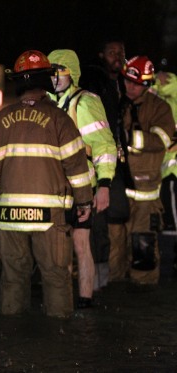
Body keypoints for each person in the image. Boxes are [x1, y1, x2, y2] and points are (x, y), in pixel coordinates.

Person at [0, 50, 93, 318]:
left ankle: (12, 339)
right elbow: (77, 167)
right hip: (50, 218)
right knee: (55, 276)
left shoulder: (0, 120)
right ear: (47, 81)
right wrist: (84, 201)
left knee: (13, 279)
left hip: (8, 216)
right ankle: (58, 344)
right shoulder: (60, 120)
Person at [47, 49, 117, 308]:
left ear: (72, 74)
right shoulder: (46, 102)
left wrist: (105, 185)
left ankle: (85, 300)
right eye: (50, 72)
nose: (54, 78)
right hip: (52, 190)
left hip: (79, 189)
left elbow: (104, 147)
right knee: (58, 247)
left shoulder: (85, 102)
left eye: (60, 72)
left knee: (80, 244)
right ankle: (62, 300)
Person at [110, 56, 174, 285]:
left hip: (146, 196)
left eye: (137, 84)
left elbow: (162, 140)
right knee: (114, 248)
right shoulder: (116, 103)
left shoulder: (160, 108)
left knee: (143, 251)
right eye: (127, 81)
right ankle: (113, 294)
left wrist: (131, 138)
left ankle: (144, 298)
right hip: (118, 194)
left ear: (147, 85)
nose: (131, 87)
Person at [79, 38, 128, 289]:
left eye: (120, 52)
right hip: (96, 165)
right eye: (111, 52)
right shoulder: (93, 84)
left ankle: (112, 276)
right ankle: (96, 280)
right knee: (96, 222)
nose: (117, 56)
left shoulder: (122, 82)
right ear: (101, 55)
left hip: (116, 162)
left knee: (118, 215)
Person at [152, 68, 177, 272]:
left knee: (171, 222)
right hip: (163, 173)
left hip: (171, 175)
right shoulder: (158, 104)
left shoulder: (164, 104)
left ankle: (168, 267)